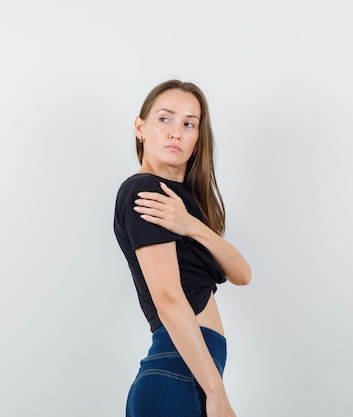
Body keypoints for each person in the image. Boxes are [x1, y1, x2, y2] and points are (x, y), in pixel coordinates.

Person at [113, 80, 251, 417]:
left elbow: (242, 274)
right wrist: (217, 394)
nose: (176, 132)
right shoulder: (146, 191)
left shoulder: (180, 205)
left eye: (189, 124)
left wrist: (191, 224)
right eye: (165, 119)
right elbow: (169, 300)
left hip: (187, 371)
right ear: (140, 127)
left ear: (198, 139)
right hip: (179, 371)